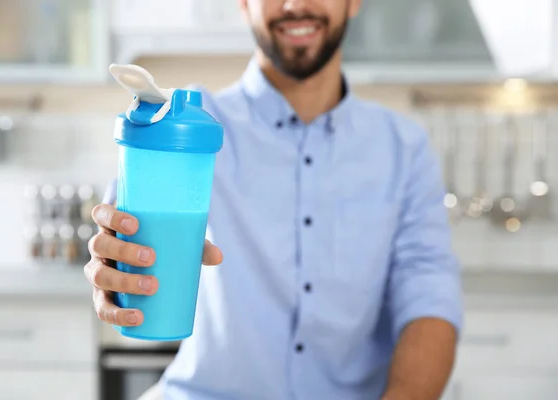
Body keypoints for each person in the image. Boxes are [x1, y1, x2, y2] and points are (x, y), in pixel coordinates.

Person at [85, 0, 463, 399]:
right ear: (244, 4)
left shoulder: (404, 149)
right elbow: (127, 216)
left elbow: (429, 299)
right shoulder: (193, 127)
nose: (296, 4)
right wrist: (114, 257)